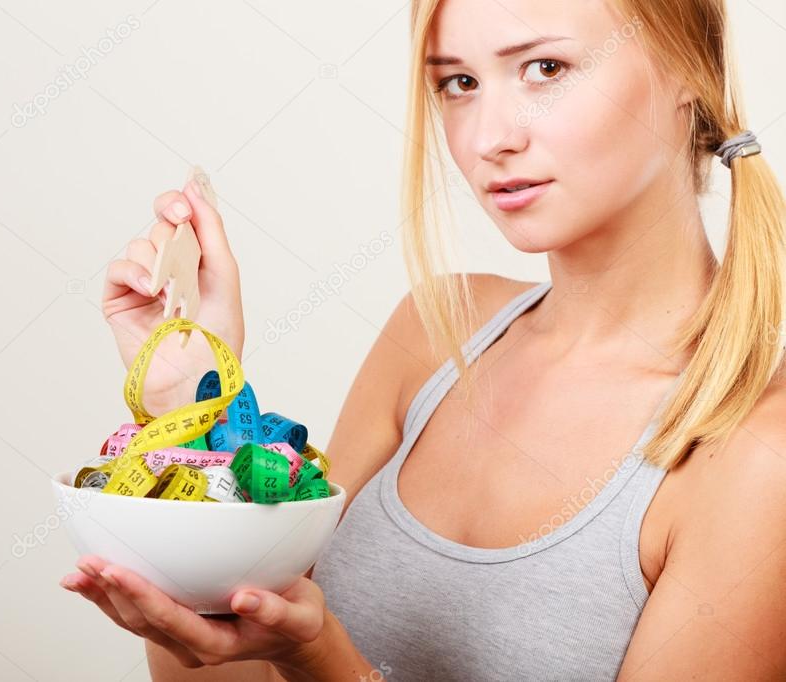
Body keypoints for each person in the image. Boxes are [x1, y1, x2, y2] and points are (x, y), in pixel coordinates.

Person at [58, 0, 786, 679]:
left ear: (690, 69)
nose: (488, 138)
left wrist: (326, 661)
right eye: (459, 82)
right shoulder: (441, 329)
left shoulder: (760, 452)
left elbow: (305, 652)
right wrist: (198, 414)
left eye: (546, 69)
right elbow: (236, 660)